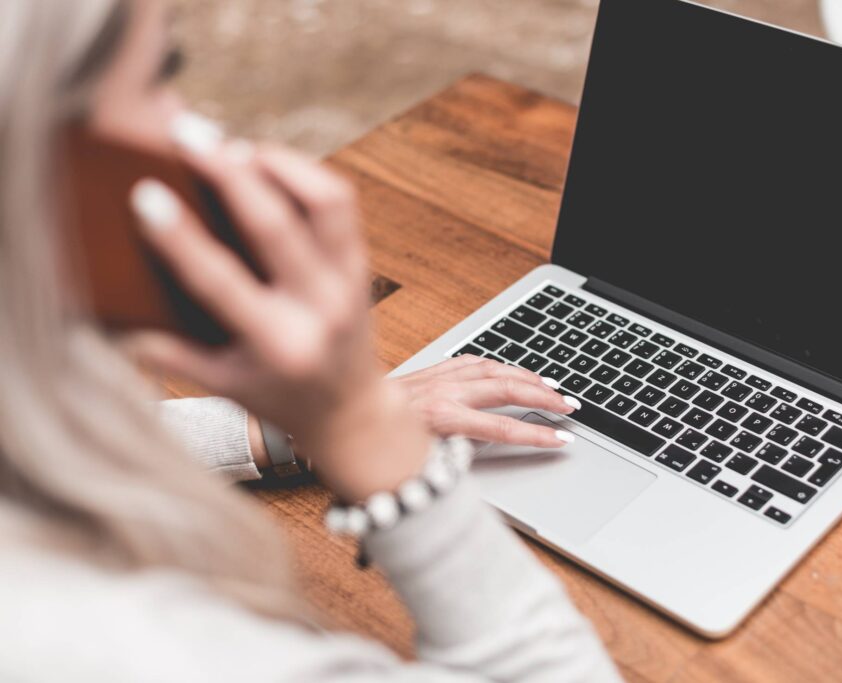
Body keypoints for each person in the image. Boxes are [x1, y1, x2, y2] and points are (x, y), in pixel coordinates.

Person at [0, 1, 622, 680]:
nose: (194, 127)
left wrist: (288, 428)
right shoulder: (118, 643)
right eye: (160, 71)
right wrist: (365, 426)